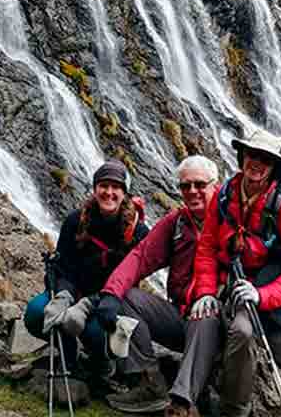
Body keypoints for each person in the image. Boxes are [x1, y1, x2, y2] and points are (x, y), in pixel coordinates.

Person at [183, 127, 281, 417]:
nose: (256, 163)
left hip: (280, 302)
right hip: (241, 292)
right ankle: (235, 410)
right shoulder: (223, 197)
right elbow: (207, 248)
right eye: (251, 155)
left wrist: (262, 295)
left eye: (265, 160)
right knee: (243, 330)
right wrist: (206, 292)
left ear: (274, 168)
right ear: (242, 156)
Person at [94, 155, 221, 414]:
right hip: (181, 316)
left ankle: (182, 403)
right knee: (126, 297)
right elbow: (140, 257)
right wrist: (111, 293)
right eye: (185, 186)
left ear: (215, 185)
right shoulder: (176, 223)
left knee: (205, 313)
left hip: (221, 323)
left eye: (199, 185)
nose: (192, 191)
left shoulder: (230, 221)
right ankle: (149, 382)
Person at [24, 160, 149, 392]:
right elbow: (63, 266)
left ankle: (102, 365)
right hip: (71, 290)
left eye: (116, 187)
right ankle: (68, 354)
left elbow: (131, 280)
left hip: (110, 301)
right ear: (94, 188)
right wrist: (63, 296)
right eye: (103, 185)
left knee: (93, 330)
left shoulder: (138, 232)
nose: (109, 192)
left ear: (125, 193)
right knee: (36, 312)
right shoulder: (75, 220)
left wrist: (88, 305)